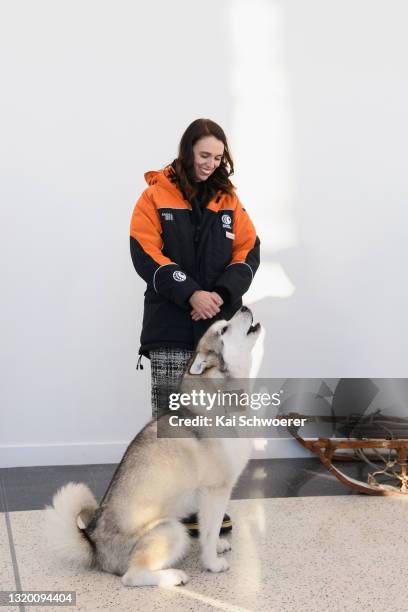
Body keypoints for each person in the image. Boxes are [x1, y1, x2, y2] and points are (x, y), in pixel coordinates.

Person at [129, 118, 260, 535]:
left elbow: (248, 252)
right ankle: (167, 510)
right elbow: (144, 252)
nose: (210, 164)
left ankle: (205, 508)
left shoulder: (229, 201)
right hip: (170, 326)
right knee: (172, 425)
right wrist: (190, 293)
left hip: (216, 330)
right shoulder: (154, 196)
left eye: (218, 157)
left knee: (214, 423)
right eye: (204, 155)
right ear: (188, 151)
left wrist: (219, 294)